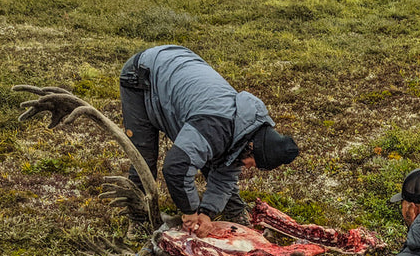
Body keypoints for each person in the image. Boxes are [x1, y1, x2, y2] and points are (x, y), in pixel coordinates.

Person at [119, 45, 299, 237]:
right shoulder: (215, 125)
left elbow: (225, 175)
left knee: (211, 152)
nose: (247, 166)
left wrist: (206, 213)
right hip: (143, 76)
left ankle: (235, 212)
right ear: (252, 146)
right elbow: (176, 168)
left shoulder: (244, 131)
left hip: (177, 68)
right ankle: (138, 219)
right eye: (253, 162)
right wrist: (190, 212)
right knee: (143, 157)